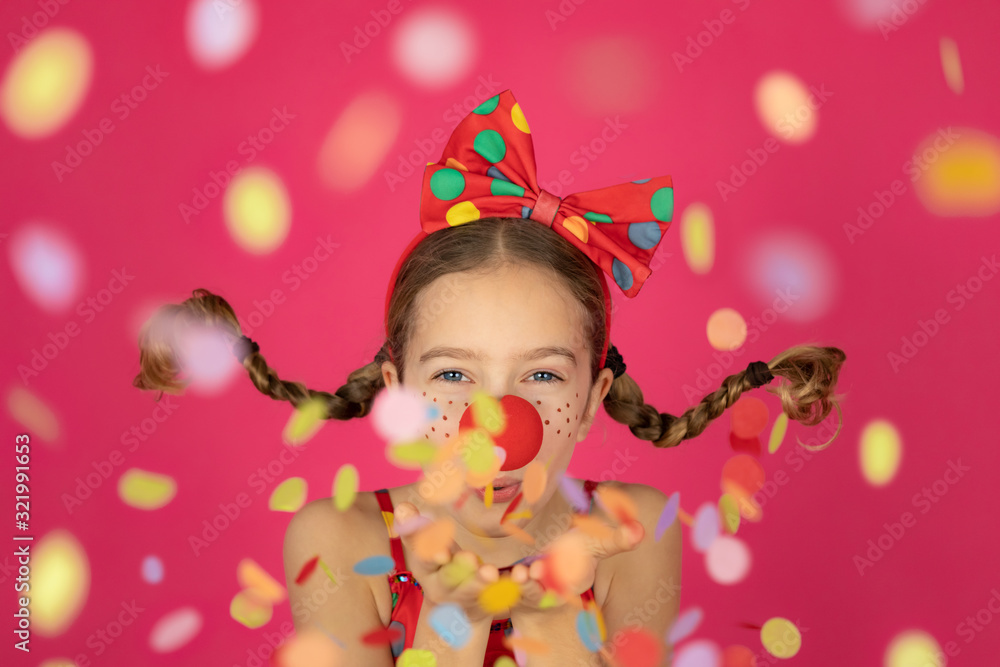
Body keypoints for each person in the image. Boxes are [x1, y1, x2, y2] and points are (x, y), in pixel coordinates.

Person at [132, 90, 846, 666]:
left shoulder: (632, 529)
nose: (497, 424)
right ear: (399, 395)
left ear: (594, 397)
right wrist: (459, 620)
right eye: (452, 374)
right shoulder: (339, 537)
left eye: (540, 372)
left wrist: (548, 602)